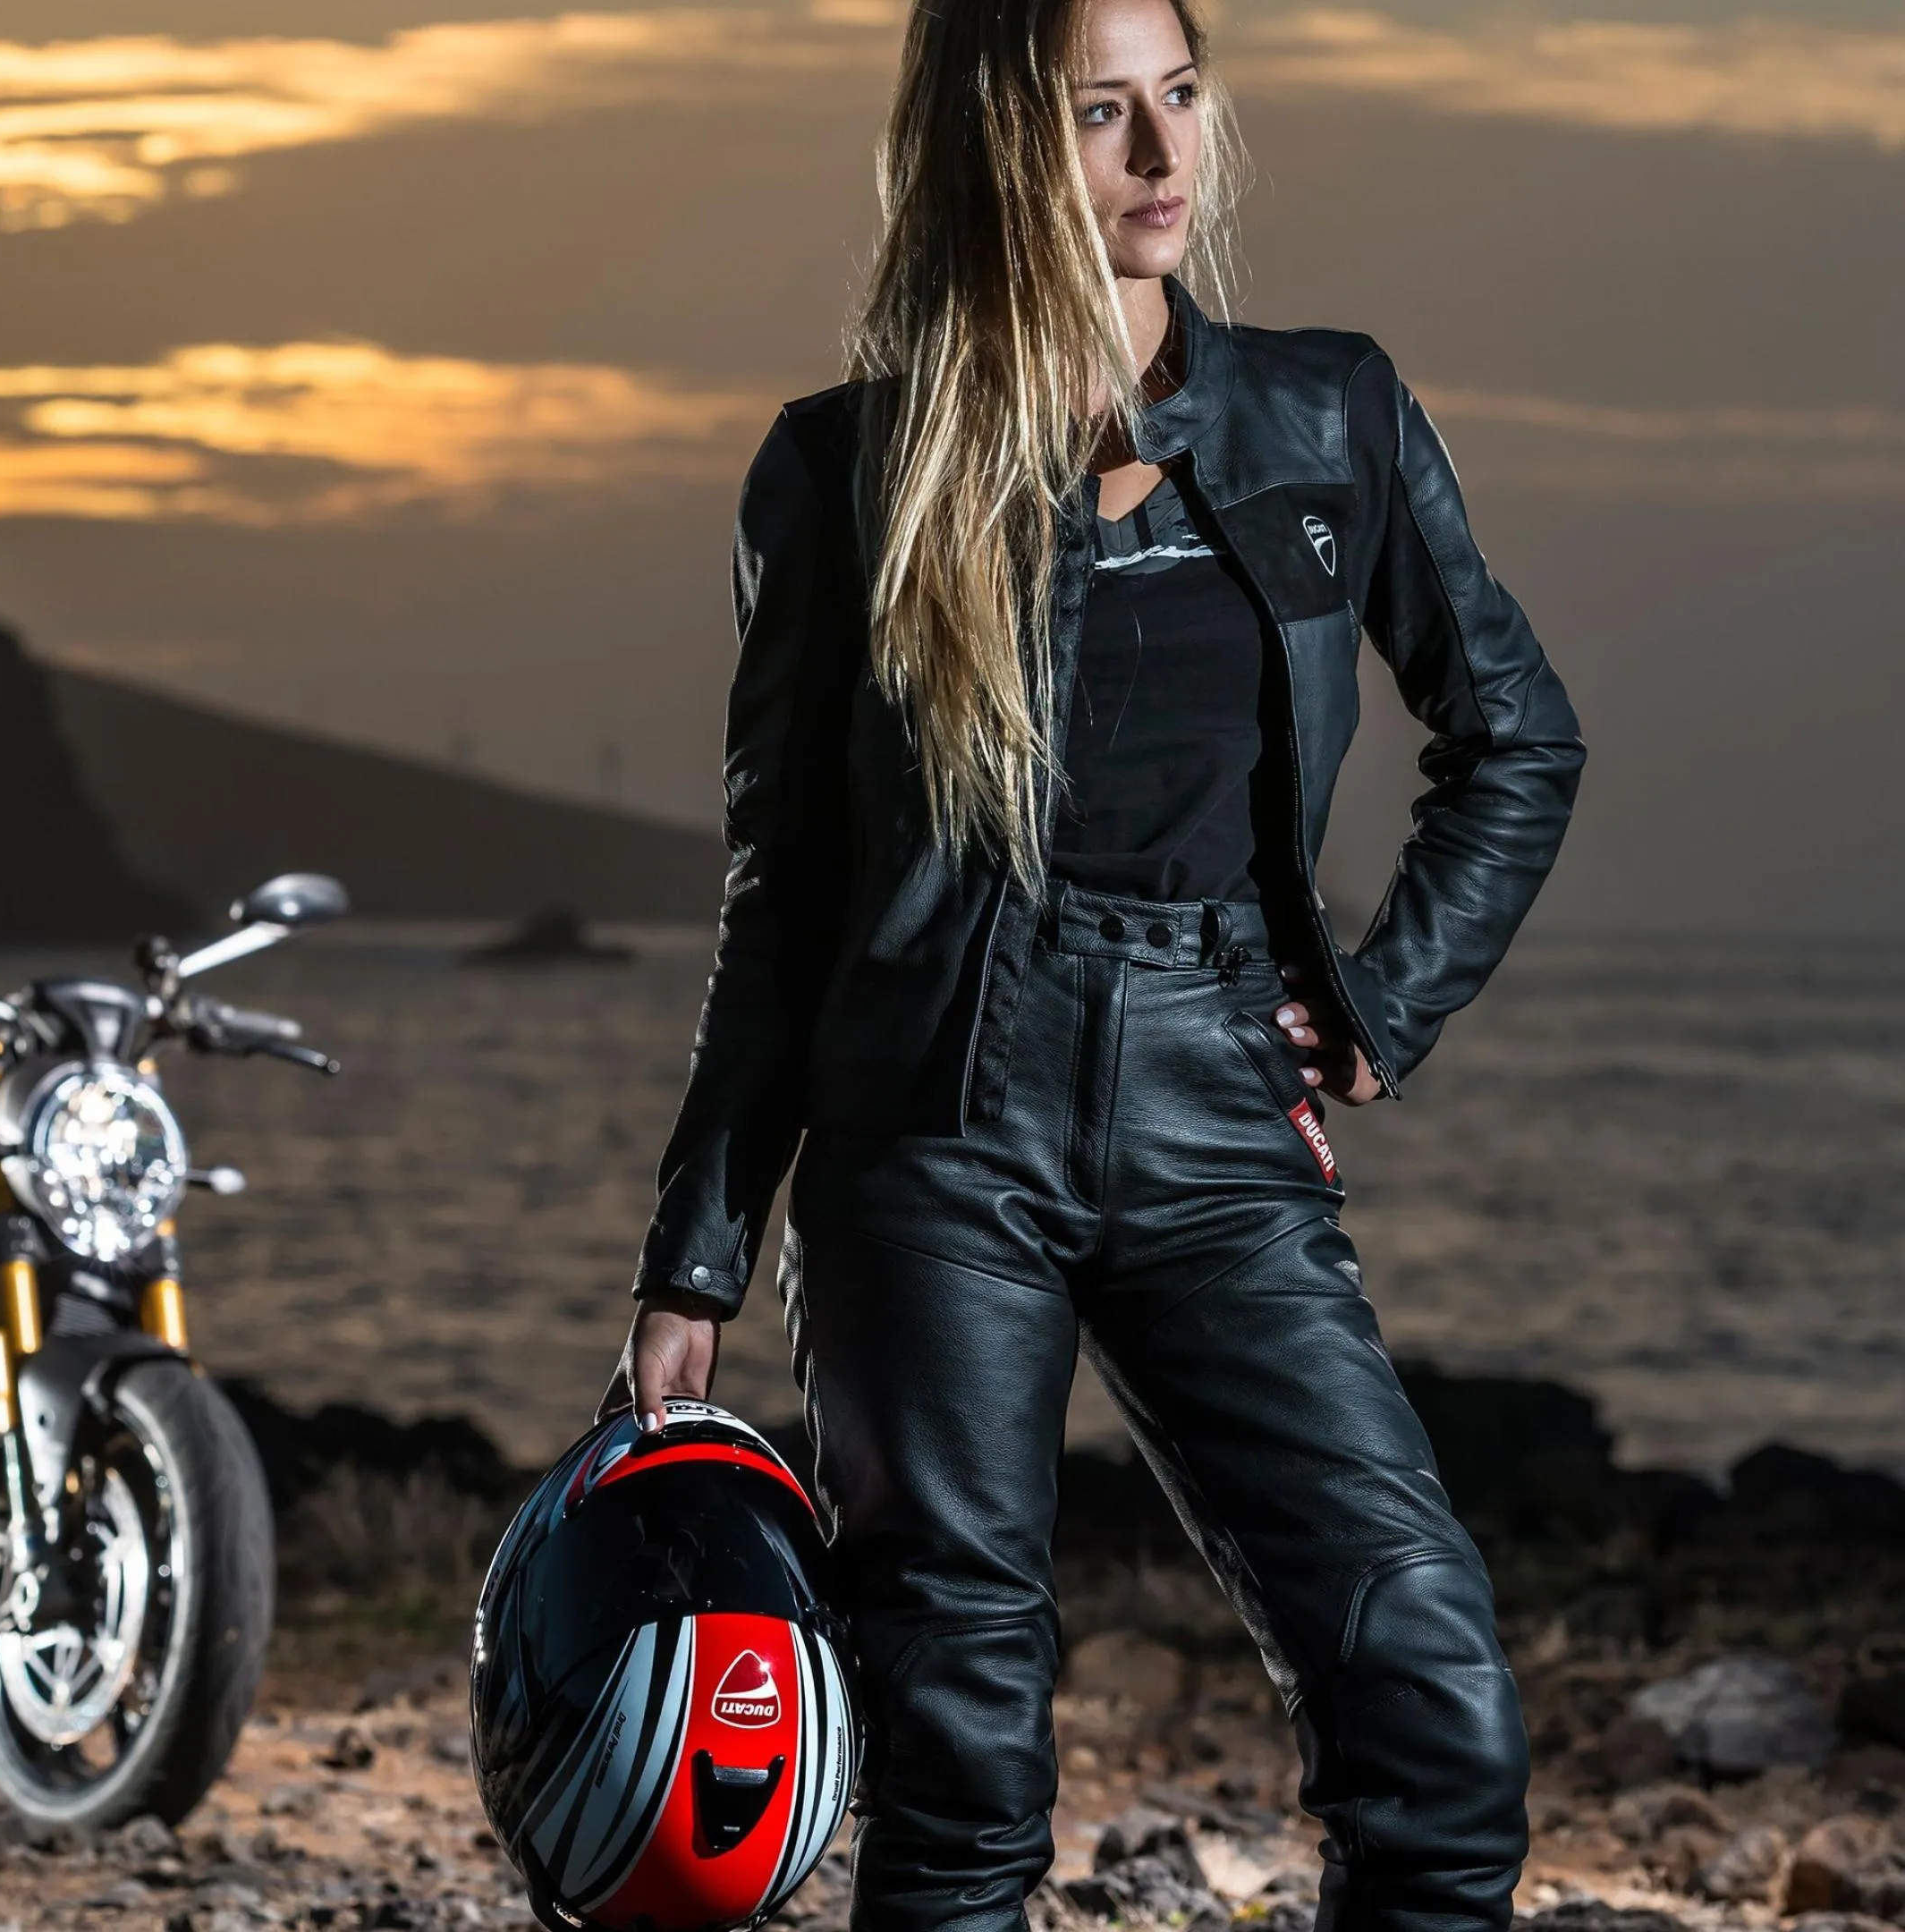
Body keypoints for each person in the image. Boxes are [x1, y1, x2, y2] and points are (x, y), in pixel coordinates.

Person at [611, 1, 1582, 1928]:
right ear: (999, 150)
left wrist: (1383, 1006)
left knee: (1440, 1715)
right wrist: (697, 1253)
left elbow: (1520, 738)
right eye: (1100, 117)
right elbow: (785, 890)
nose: (1163, 159)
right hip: (932, 1134)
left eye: (1183, 102)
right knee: (962, 1771)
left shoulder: (1331, 413)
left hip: (1220, 1112)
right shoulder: (842, 474)